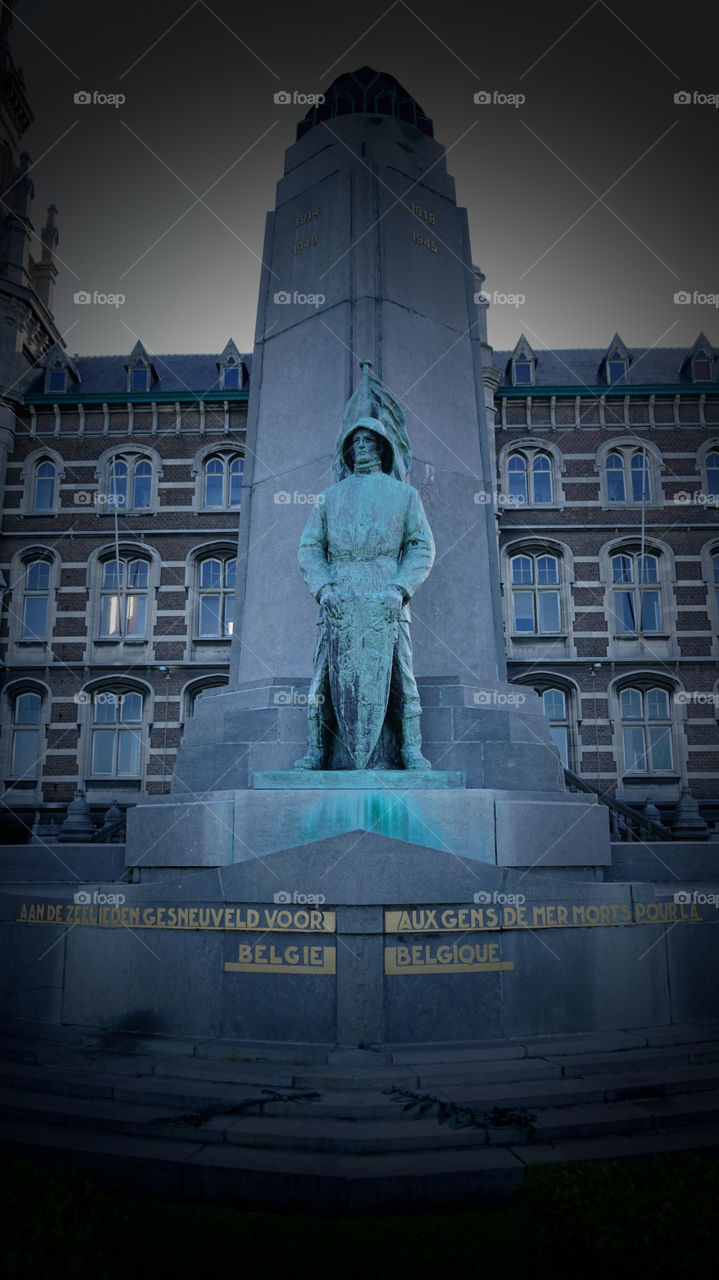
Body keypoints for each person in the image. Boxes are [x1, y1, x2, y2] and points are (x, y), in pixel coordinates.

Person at [295, 416, 435, 770]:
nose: (361, 446)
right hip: (338, 593)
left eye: (368, 440)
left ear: (382, 448)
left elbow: (421, 547)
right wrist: (323, 587)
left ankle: (410, 749)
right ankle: (317, 749)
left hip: (387, 592)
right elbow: (310, 547)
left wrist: (400, 588)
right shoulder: (328, 497)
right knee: (324, 674)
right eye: (355, 440)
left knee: (401, 673)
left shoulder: (405, 495)